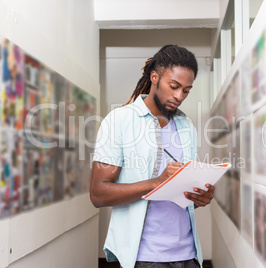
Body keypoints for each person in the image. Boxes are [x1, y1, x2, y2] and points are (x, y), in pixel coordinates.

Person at [90, 45, 214, 268]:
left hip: (188, 255)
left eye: (186, 90)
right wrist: (156, 183)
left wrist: (199, 196)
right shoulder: (119, 121)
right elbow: (98, 194)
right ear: (155, 77)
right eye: (174, 86)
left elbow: (181, 193)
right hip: (143, 258)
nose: (179, 96)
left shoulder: (186, 126)